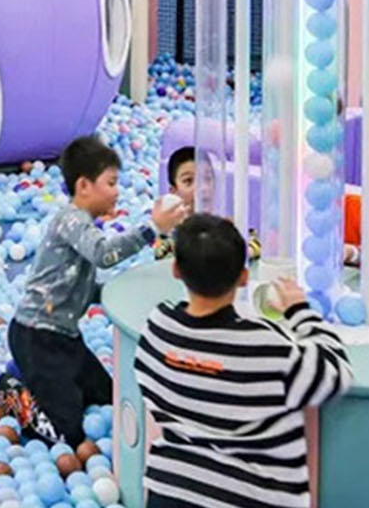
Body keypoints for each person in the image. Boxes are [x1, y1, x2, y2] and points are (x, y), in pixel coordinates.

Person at [136, 213, 352, 508]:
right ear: (244, 277)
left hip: (169, 493)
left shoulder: (158, 327)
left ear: (175, 270)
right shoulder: (265, 347)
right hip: (249, 497)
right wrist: (300, 310)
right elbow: (335, 375)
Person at [0, 135, 187, 457]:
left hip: (65, 338)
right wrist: (151, 228)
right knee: (68, 431)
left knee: (104, 394)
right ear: (84, 186)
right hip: (36, 336)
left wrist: (120, 292)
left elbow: (81, 285)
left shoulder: (84, 226)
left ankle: (34, 379)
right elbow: (103, 254)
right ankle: (8, 392)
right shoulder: (71, 220)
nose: (117, 191)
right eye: (111, 183)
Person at [161, 144, 369, 273]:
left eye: (207, 179)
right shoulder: (286, 214)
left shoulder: (356, 209)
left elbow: (256, 243)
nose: (202, 188)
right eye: (189, 181)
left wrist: (351, 253)